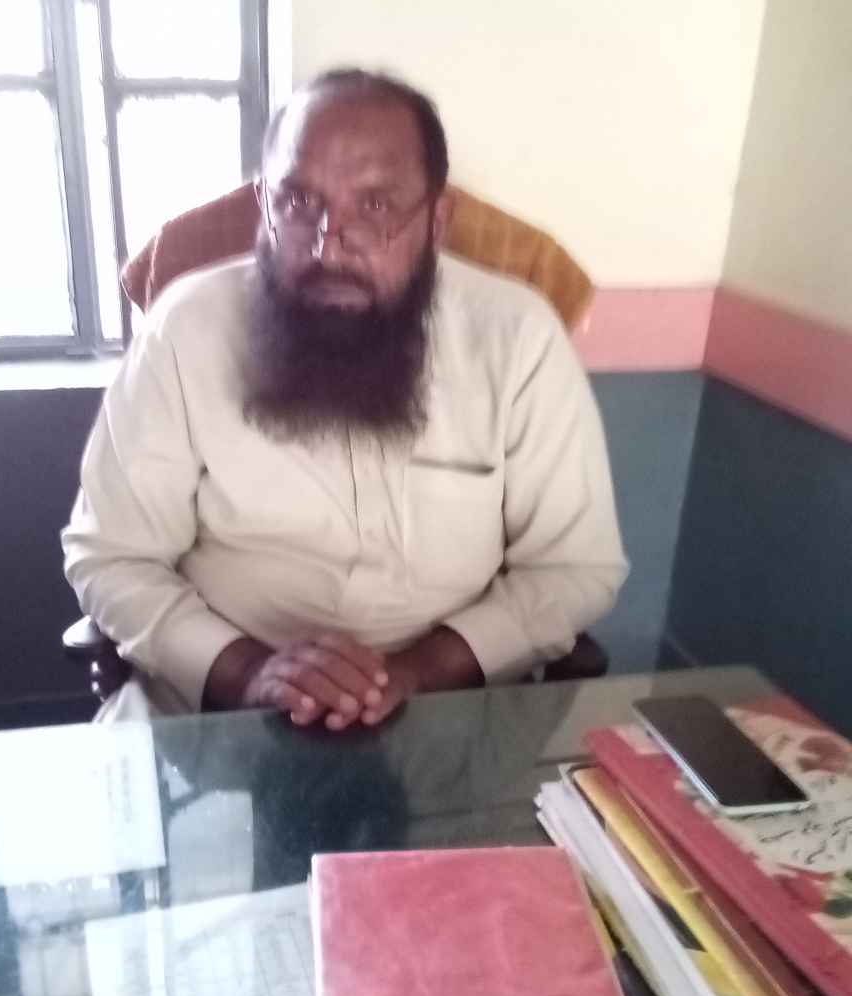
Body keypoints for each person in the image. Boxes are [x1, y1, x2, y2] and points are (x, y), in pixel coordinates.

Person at [62, 68, 627, 730]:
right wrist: (246, 672)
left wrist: (414, 673)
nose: (328, 244)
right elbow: (113, 555)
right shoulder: (185, 327)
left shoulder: (518, 336)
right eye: (299, 201)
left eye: (377, 206)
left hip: (451, 719)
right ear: (264, 204)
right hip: (210, 716)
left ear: (437, 219)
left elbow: (572, 568)